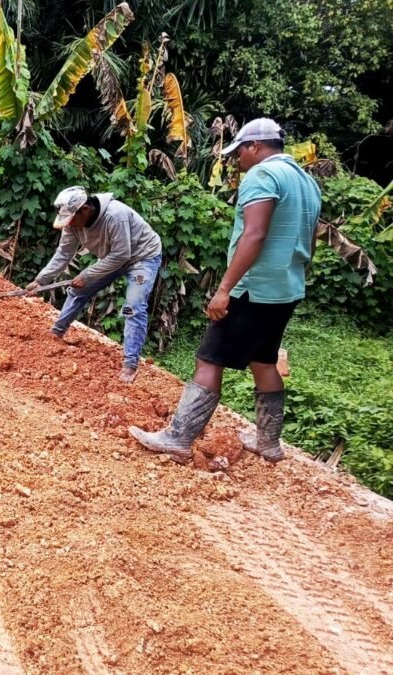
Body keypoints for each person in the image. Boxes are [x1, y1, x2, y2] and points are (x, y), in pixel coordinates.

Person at [129, 118, 321, 464]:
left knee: (209, 358)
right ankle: (268, 442)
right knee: (264, 360)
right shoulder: (307, 182)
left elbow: (254, 234)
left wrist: (225, 288)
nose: (237, 161)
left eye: (239, 153)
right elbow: (310, 240)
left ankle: (178, 439)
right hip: (286, 288)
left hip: (252, 288)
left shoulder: (263, 175)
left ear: (255, 146)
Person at [28, 187, 163, 383]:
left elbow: (122, 255)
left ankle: (130, 364)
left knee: (133, 307)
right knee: (78, 290)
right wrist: (41, 280)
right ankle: (56, 333)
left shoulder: (115, 216)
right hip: (113, 257)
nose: (69, 224)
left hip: (142, 258)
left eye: (71, 219)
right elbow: (64, 253)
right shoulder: (72, 224)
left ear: (85, 209)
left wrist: (87, 274)